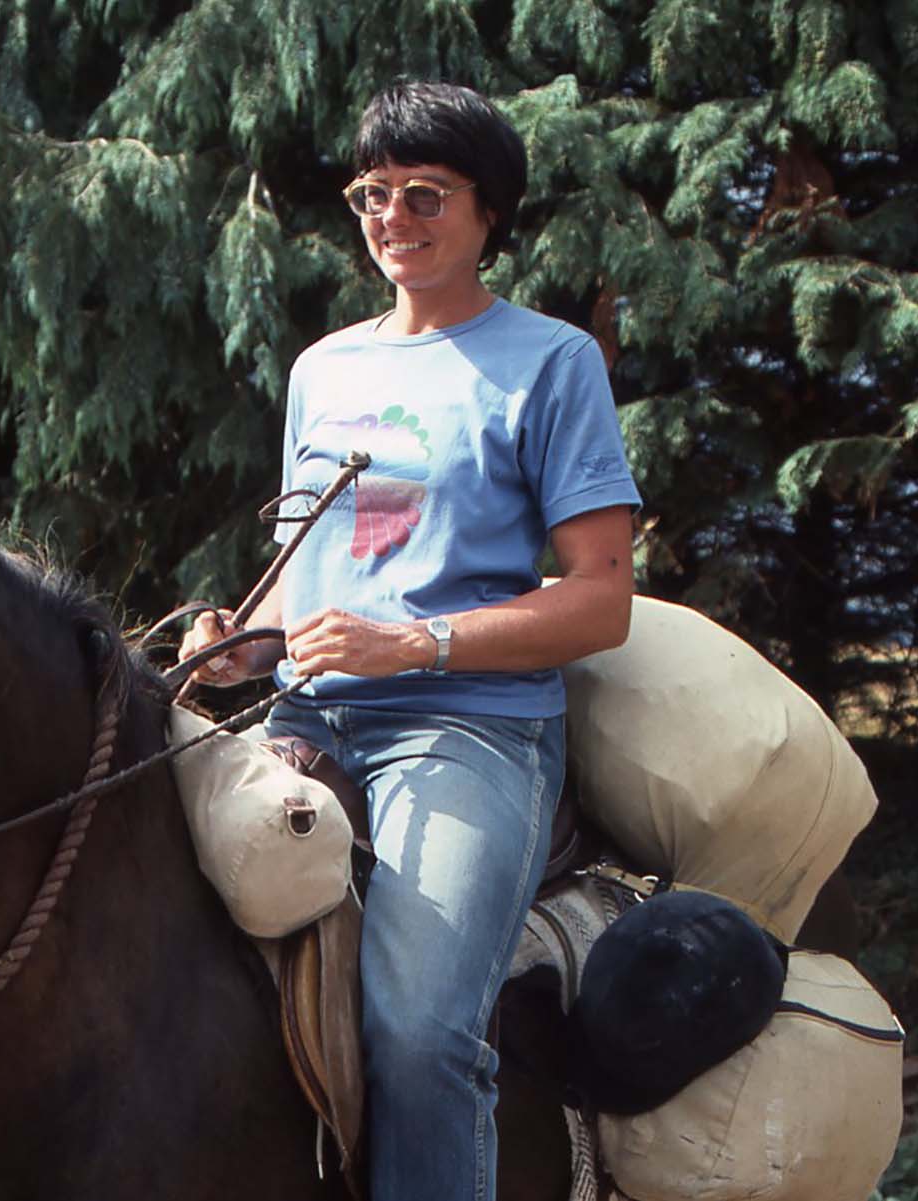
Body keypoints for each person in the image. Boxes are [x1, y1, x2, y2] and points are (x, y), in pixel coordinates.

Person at [179, 79, 641, 1201]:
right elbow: (315, 567)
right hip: (303, 718)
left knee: (420, 1030)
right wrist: (248, 642)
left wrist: (411, 646)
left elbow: (601, 600)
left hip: (469, 730)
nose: (393, 218)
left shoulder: (549, 362)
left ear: (490, 213)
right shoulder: (323, 369)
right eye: (372, 195)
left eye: (425, 196)